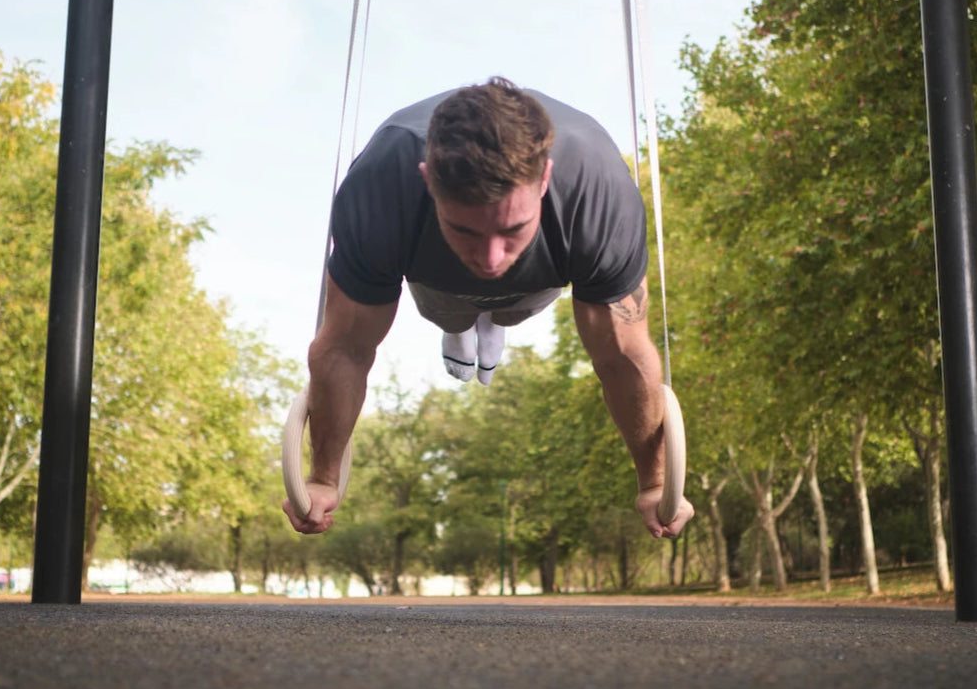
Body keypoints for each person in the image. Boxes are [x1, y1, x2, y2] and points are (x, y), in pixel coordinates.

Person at [283, 77, 694, 540]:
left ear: (544, 180)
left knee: (512, 309)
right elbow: (345, 347)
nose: (490, 259)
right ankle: (461, 324)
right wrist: (321, 478)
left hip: (538, 279)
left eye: (511, 229)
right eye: (467, 231)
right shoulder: (382, 183)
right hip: (434, 278)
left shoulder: (598, 191)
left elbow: (621, 356)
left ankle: (492, 319)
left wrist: (656, 481)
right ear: (427, 179)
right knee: (447, 311)